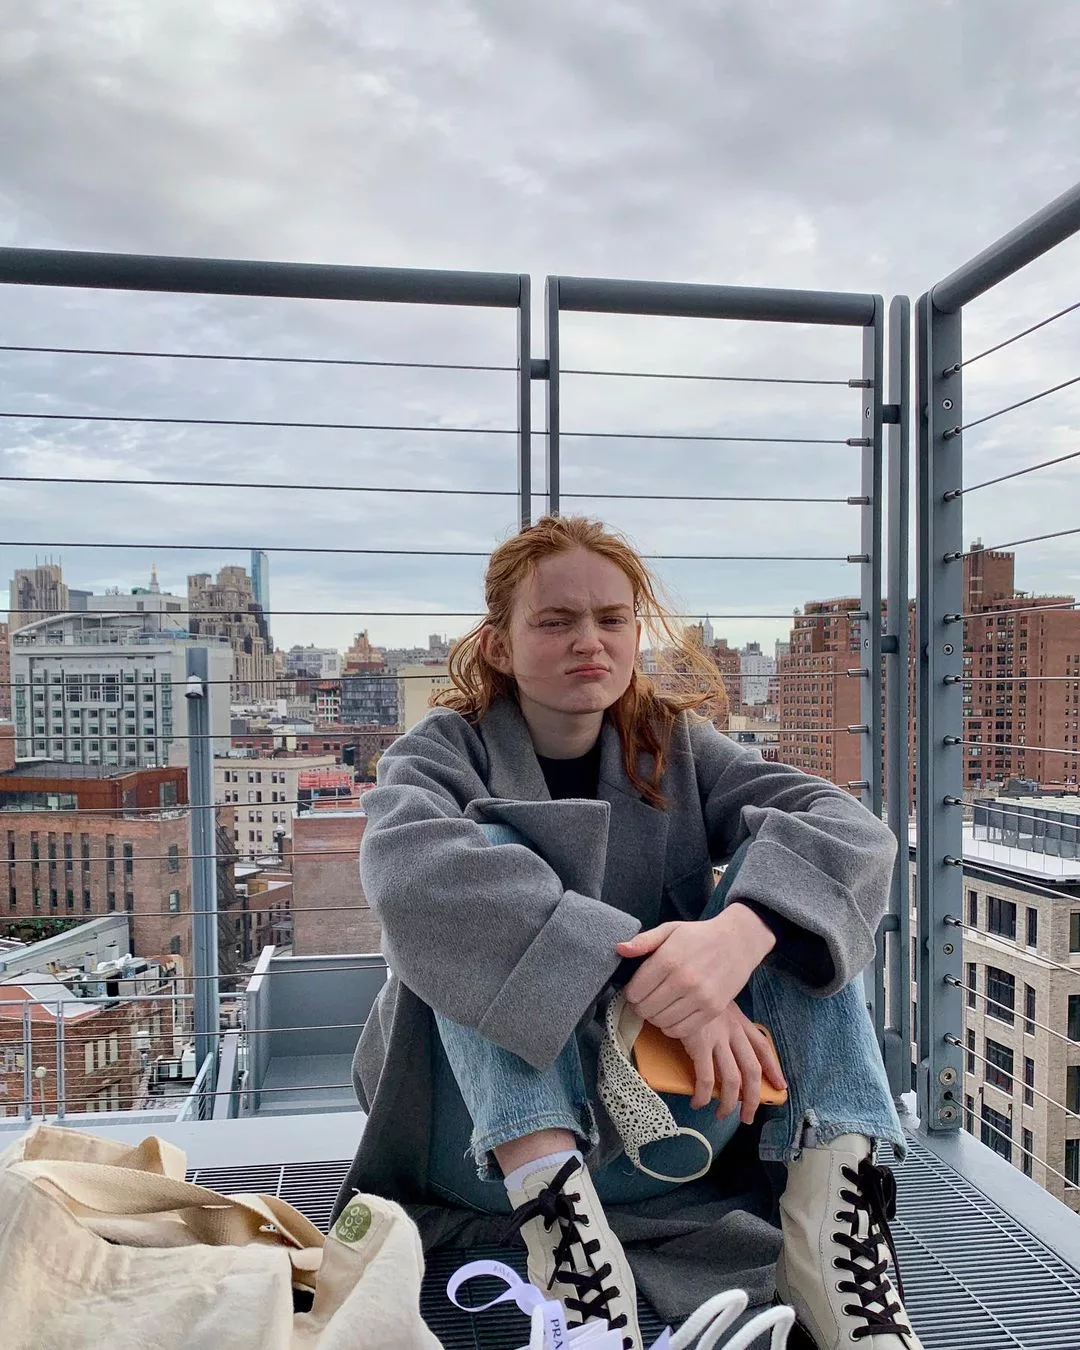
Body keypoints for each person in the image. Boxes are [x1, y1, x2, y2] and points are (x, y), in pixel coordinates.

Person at [332, 515, 923, 1350]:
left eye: (611, 620)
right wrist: (660, 984)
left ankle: (834, 1241)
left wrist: (736, 938)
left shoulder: (673, 745)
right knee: (478, 865)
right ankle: (567, 1249)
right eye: (555, 621)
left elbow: (849, 830)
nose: (590, 642)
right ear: (499, 644)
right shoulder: (440, 753)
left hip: (667, 1120)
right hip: (475, 1140)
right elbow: (410, 876)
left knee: (792, 882)